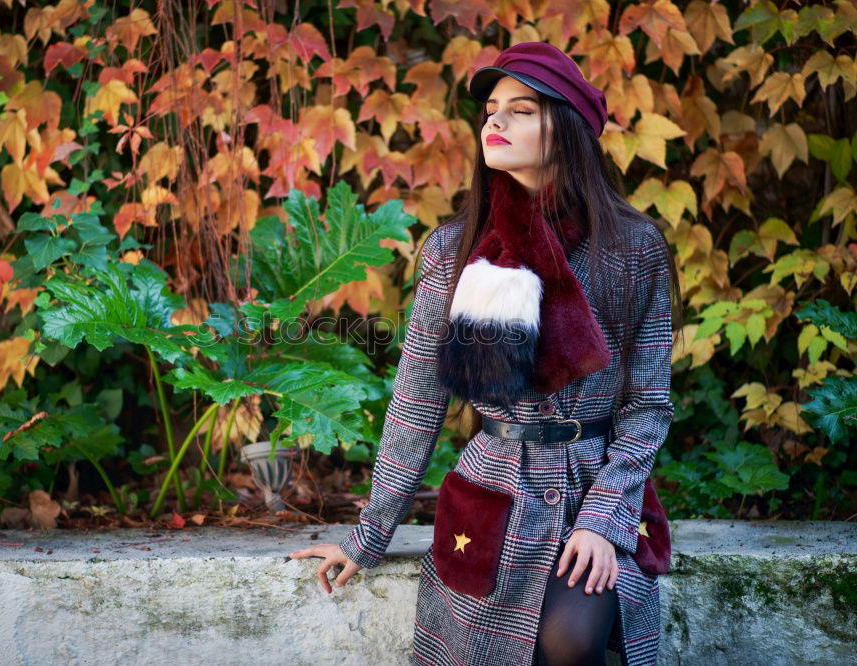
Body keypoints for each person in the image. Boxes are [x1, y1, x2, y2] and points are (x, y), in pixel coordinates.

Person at [289, 41, 681, 666]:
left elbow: (647, 406)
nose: (494, 122)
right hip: (492, 492)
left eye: (521, 110)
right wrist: (369, 535)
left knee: (572, 644)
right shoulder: (455, 249)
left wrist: (605, 519)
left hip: (594, 485)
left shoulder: (632, 248)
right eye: (491, 109)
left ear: (570, 125)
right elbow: (417, 402)